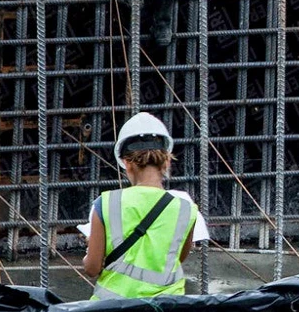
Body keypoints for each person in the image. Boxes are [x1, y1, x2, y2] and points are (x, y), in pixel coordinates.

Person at [81, 112, 208, 299]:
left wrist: (92, 247)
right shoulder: (186, 209)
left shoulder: (106, 204)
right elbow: (175, 258)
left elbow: (92, 268)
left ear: (127, 163)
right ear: (166, 161)